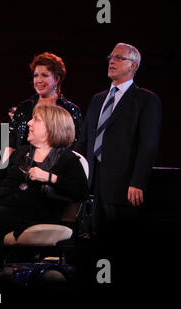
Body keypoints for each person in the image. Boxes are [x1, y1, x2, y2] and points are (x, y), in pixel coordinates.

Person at [74, 43, 162, 255]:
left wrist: (137, 181)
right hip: (94, 183)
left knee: (121, 243)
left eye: (118, 58)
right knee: (96, 242)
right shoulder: (97, 99)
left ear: (133, 65)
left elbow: (148, 144)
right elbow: (85, 140)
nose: (111, 61)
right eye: (110, 57)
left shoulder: (146, 100)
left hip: (124, 186)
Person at [0, 105, 89, 240]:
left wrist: (50, 178)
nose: (29, 123)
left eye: (36, 120)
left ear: (52, 126)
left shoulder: (67, 158)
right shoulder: (22, 152)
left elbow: (82, 191)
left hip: (30, 212)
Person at [6, 52, 82, 161]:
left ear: (57, 79)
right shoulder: (24, 107)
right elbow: (11, 142)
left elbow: (75, 148)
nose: (39, 80)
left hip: (55, 170)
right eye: (36, 75)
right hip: (20, 168)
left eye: (45, 75)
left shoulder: (70, 110)